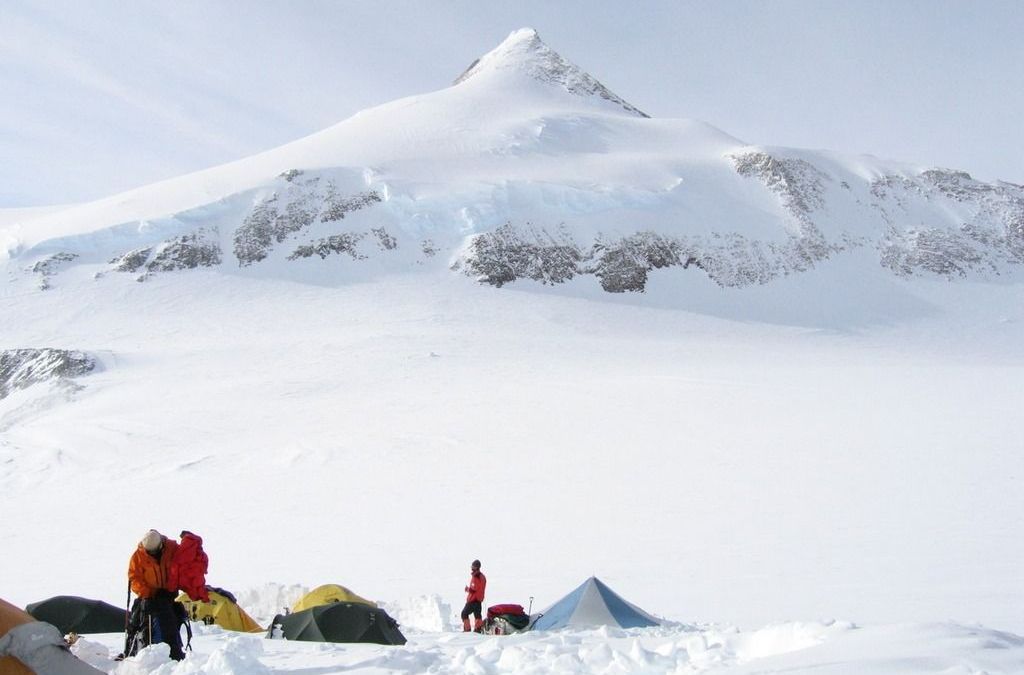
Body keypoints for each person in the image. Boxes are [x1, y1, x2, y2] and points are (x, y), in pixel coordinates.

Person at [123, 529, 186, 661]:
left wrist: (173, 586)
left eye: (153, 551)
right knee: (143, 624)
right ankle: (145, 652)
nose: (151, 554)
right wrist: (149, 593)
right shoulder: (138, 556)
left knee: (173, 622)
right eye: (149, 552)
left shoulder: (172, 548)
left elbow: (183, 564)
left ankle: (174, 650)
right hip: (149, 598)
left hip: (170, 594)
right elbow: (134, 578)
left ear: (161, 545)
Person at [460, 559, 487, 632]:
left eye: (472, 566)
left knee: (464, 614)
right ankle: (478, 629)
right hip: (479, 600)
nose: (471, 568)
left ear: (476, 567)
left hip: (473, 600)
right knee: (477, 615)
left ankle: (467, 630)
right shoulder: (483, 577)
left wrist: (467, 589)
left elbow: (473, 590)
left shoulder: (475, 577)